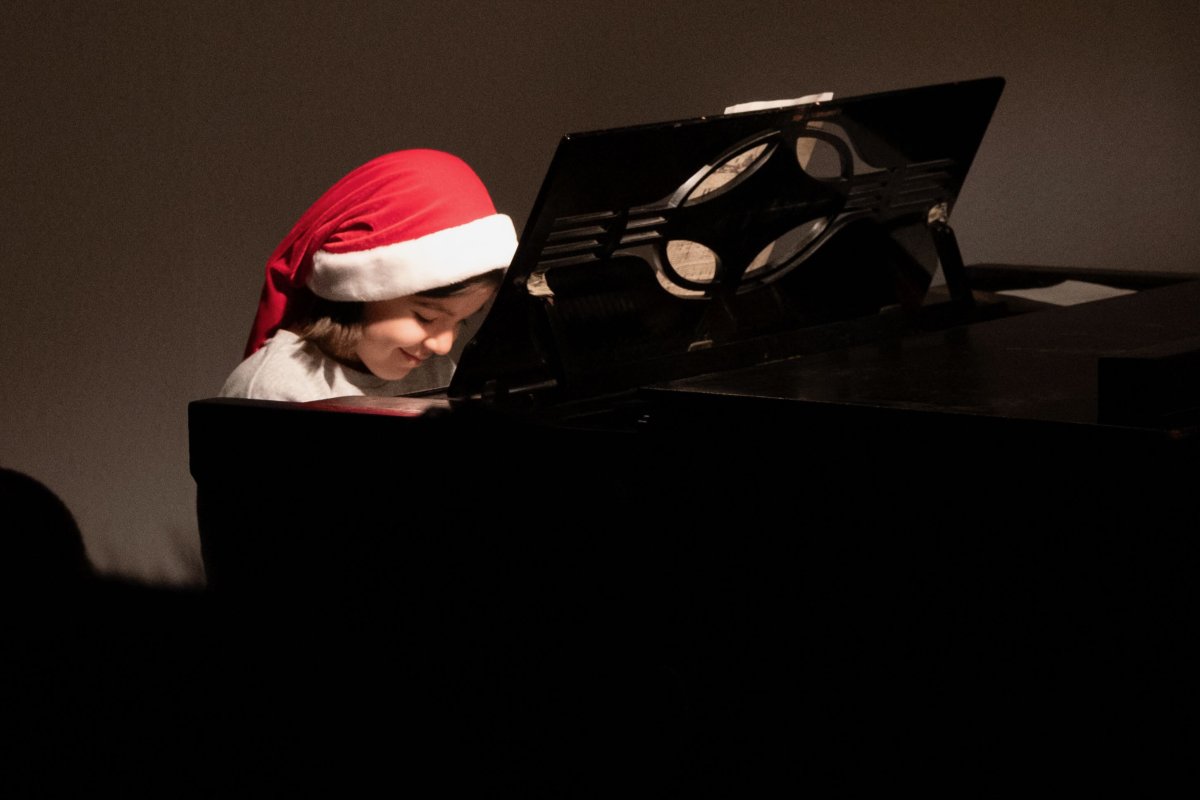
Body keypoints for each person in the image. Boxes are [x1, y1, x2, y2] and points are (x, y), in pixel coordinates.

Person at [220, 149, 518, 402]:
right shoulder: (274, 390)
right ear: (358, 294)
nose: (443, 346)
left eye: (460, 322)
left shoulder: (435, 374)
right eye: (426, 317)